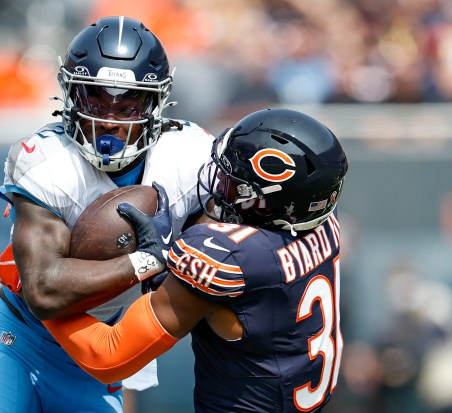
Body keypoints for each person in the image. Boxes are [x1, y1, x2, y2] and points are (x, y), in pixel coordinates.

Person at [0, 16, 215, 413]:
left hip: (98, 346)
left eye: (127, 103)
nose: (109, 118)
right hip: (21, 336)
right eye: (95, 99)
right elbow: (44, 289)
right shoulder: (48, 162)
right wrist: (149, 260)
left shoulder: (190, 155)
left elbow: (226, 239)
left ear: (156, 103)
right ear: (70, 95)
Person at [43, 108, 349, 412]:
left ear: (267, 198)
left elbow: (110, 356)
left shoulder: (227, 258)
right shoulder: (320, 219)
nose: (219, 187)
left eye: (232, 181)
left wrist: (42, 302)